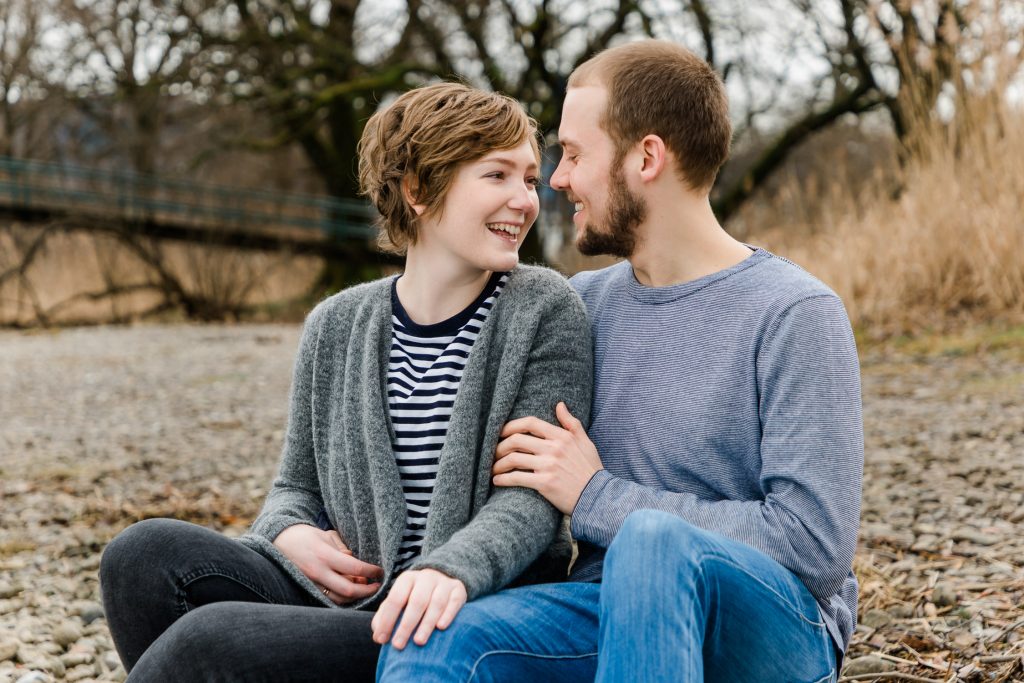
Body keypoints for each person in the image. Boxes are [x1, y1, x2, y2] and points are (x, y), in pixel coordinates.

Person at [376, 40, 863, 682]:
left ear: (646, 157)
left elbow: (813, 547)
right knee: (427, 639)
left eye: (574, 154)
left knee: (652, 543)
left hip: (770, 632)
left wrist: (595, 495)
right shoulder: (580, 307)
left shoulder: (794, 312)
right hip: (602, 613)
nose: (556, 179)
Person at [99, 82, 592, 682]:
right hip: (344, 599)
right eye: (497, 176)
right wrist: (289, 532)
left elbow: (532, 501)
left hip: (458, 616)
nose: (524, 200)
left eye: (529, 180)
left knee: (212, 643)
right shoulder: (336, 323)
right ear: (418, 190)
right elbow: (293, 485)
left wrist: (449, 570)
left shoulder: (544, 309)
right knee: (141, 555)